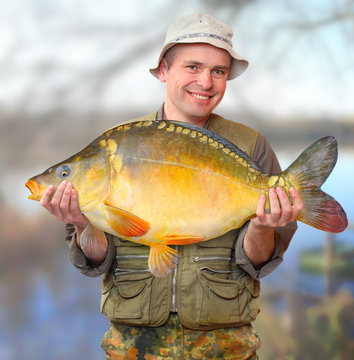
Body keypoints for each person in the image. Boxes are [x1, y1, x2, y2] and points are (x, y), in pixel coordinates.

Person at [38, 13, 302, 359]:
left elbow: (259, 262)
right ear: (164, 70)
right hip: (133, 347)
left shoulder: (252, 146)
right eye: (192, 67)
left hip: (227, 348)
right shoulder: (120, 143)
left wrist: (262, 226)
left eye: (218, 71)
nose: (205, 82)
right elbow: (95, 263)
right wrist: (80, 220)